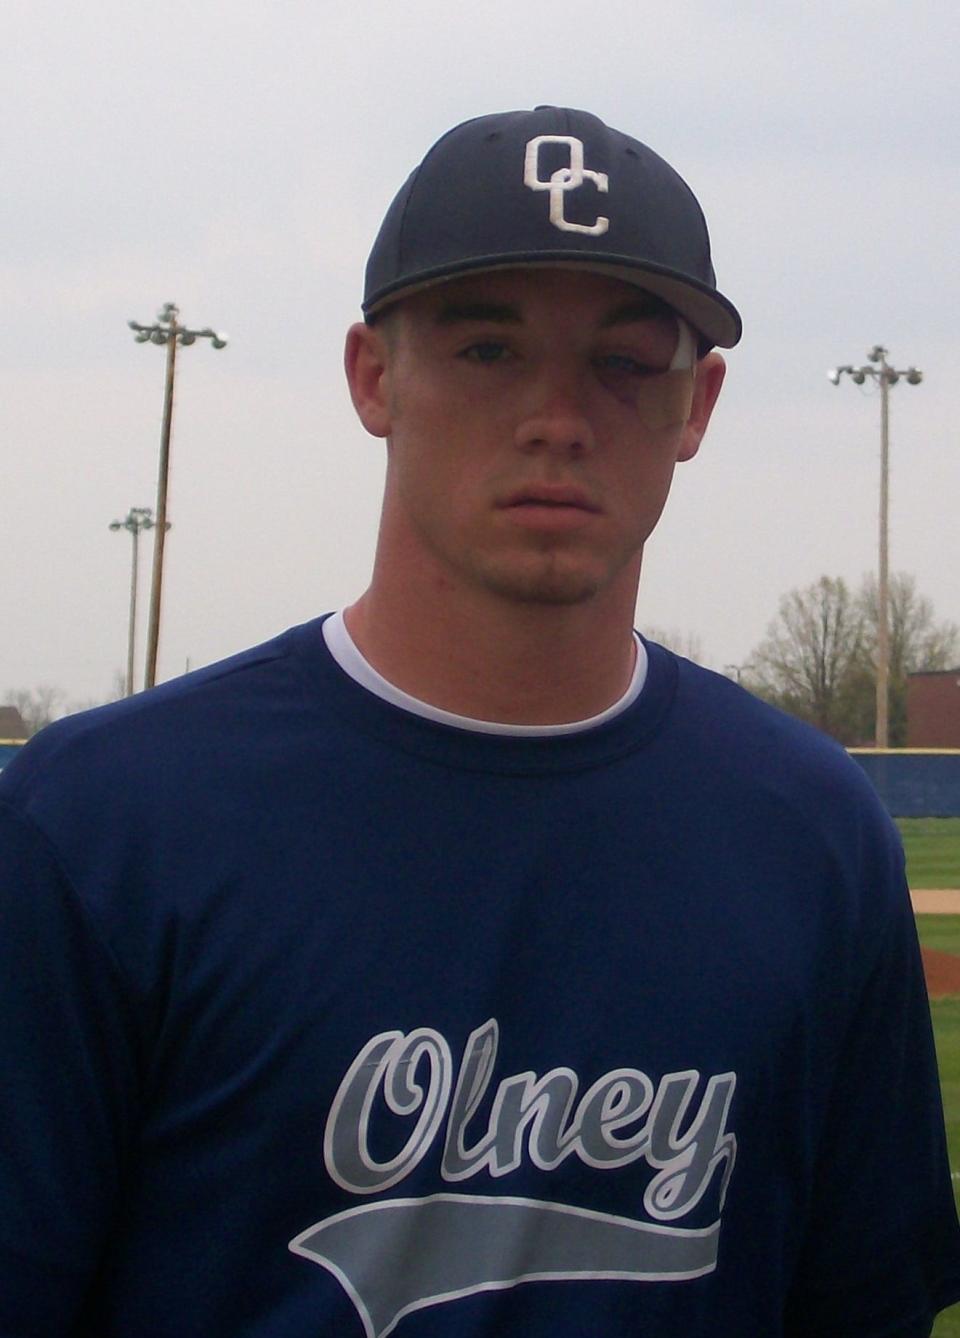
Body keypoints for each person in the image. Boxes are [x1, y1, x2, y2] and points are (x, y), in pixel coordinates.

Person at [1, 106, 958, 1338]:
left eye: (624, 361)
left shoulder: (815, 836)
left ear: (700, 403)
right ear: (373, 376)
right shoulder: (96, 828)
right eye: (487, 349)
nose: (557, 416)